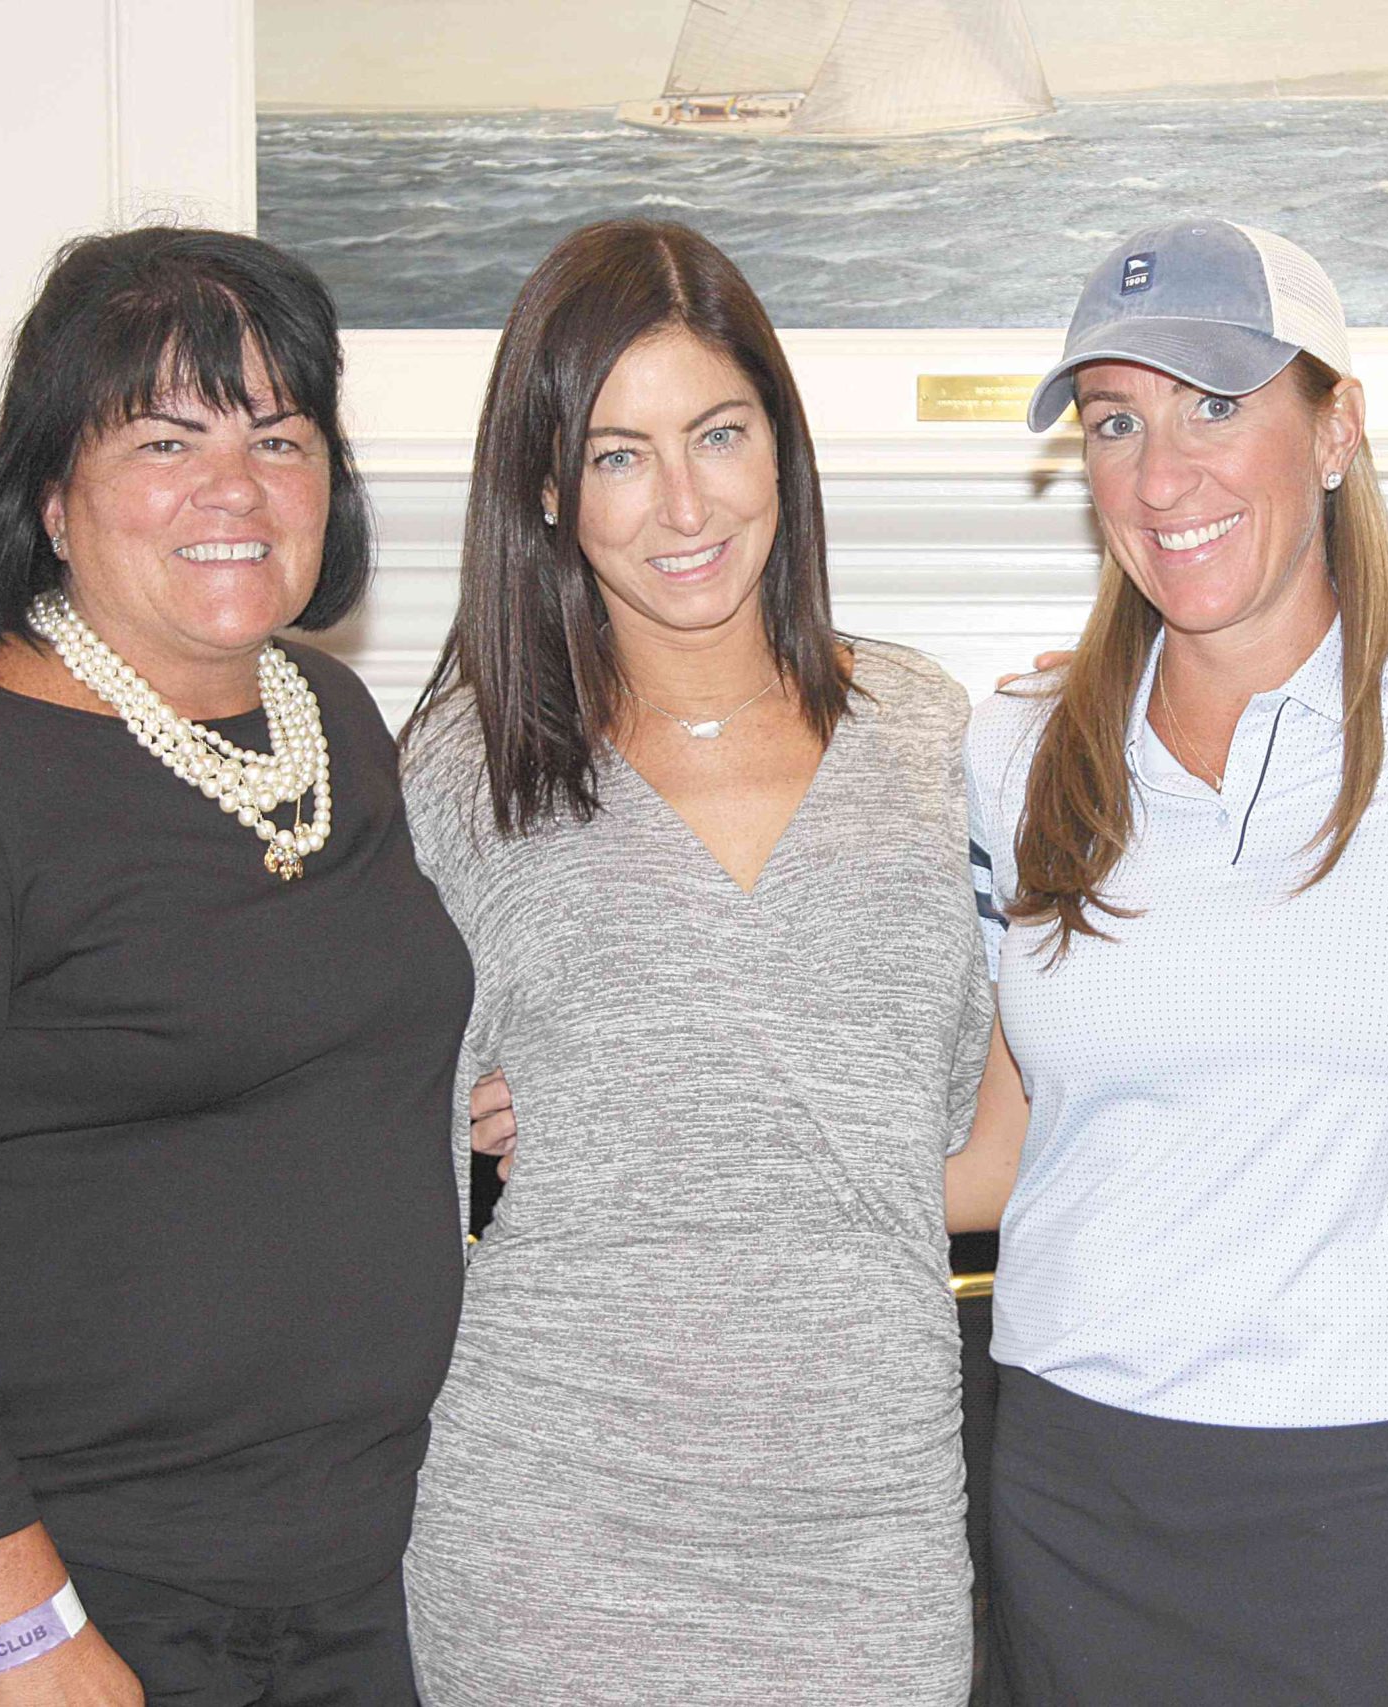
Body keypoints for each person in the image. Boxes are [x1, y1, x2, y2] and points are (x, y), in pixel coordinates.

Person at [0, 227, 469, 1703]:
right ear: (53, 497)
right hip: (45, 1600)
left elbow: (307, 1038)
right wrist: (27, 1630)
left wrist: (465, 1100)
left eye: (280, 437)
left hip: (335, 1581)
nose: (235, 487)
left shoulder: (330, 727)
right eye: (164, 440)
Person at [935, 217, 1388, 1705]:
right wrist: (651, 1152)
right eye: (1115, 422)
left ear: (1335, 430)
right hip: (1074, 1485)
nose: (1161, 475)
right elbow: (995, 1153)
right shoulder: (1012, 755)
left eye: (1215, 406)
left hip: (1384, 1498)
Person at [396, 220, 990, 1704]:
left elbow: (993, 1132)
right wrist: (464, 1133)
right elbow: (344, 1128)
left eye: (719, 434)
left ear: (780, 446)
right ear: (547, 487)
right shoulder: (463, 768)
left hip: (869, 1538)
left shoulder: (934, 737)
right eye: (618, 455)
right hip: (548, 1531)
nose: (683, 503)